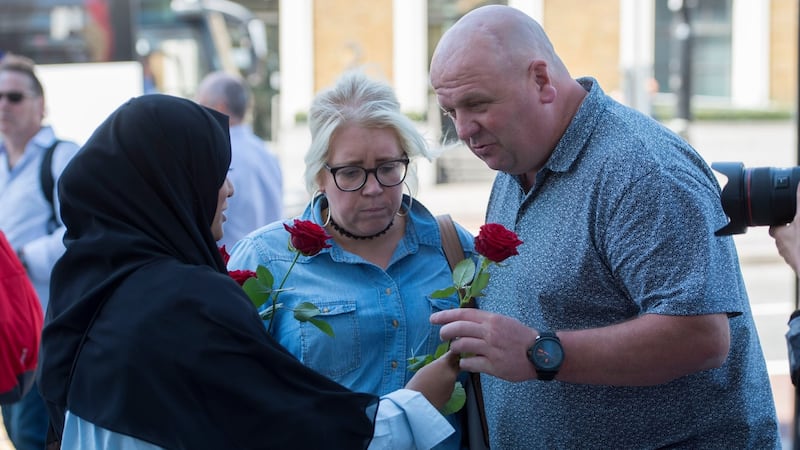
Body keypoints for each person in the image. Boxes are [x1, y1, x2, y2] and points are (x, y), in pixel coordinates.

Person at [428, 5, 780, 448]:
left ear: (540, 80)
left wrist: (539, 353)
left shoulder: (642, 170)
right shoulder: (518, 157)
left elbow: (701, 336)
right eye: (450, 111)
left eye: (477, 104)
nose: (463, 129)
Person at [36, 93, 461, 450]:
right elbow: (275, 422)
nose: (229, 189)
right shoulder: (188, 301)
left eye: (388, 168)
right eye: (213, 174)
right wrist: (411, 409)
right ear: (171, 186)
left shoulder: (81, 288)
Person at [226, 70, 475, 449]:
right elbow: (230, 394)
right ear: (319, 175)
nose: (373, 188)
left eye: (388, 168)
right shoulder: (266, 259)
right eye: (352, 172)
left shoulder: (452, 248)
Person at [0, 54, 80, 450]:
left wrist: (22, 255)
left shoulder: (61, 156)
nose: (4, 105)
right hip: (8, 327)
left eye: (14, 97)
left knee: (32, 434)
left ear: (40, 104)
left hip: (45, 326)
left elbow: (82, 232)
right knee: (18, 432)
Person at [196, 71, 283, 248]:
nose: (197, 115)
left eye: (201, 106)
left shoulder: (217, 154)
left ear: (220, 108)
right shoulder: (265, 152)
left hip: (232, 258)